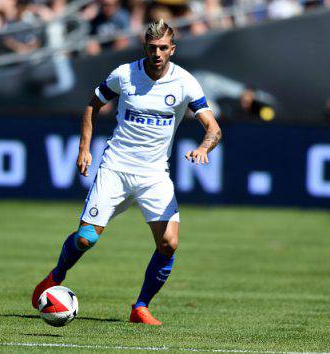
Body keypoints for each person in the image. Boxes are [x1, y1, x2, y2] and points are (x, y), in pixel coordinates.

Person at [32, 19, 222, 325]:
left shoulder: (186, 82)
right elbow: (93, 105)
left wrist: (203, 148)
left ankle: (141, 307)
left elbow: (213, 129)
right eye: (152, 47)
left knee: (169, 243)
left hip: (154, 176)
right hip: (116, 169)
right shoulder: (124, 75)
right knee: (86, 239)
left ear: (172, 49)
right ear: (144, 48)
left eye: (163, 48)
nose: (157, 53)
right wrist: (84, 148)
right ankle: (55, 277)